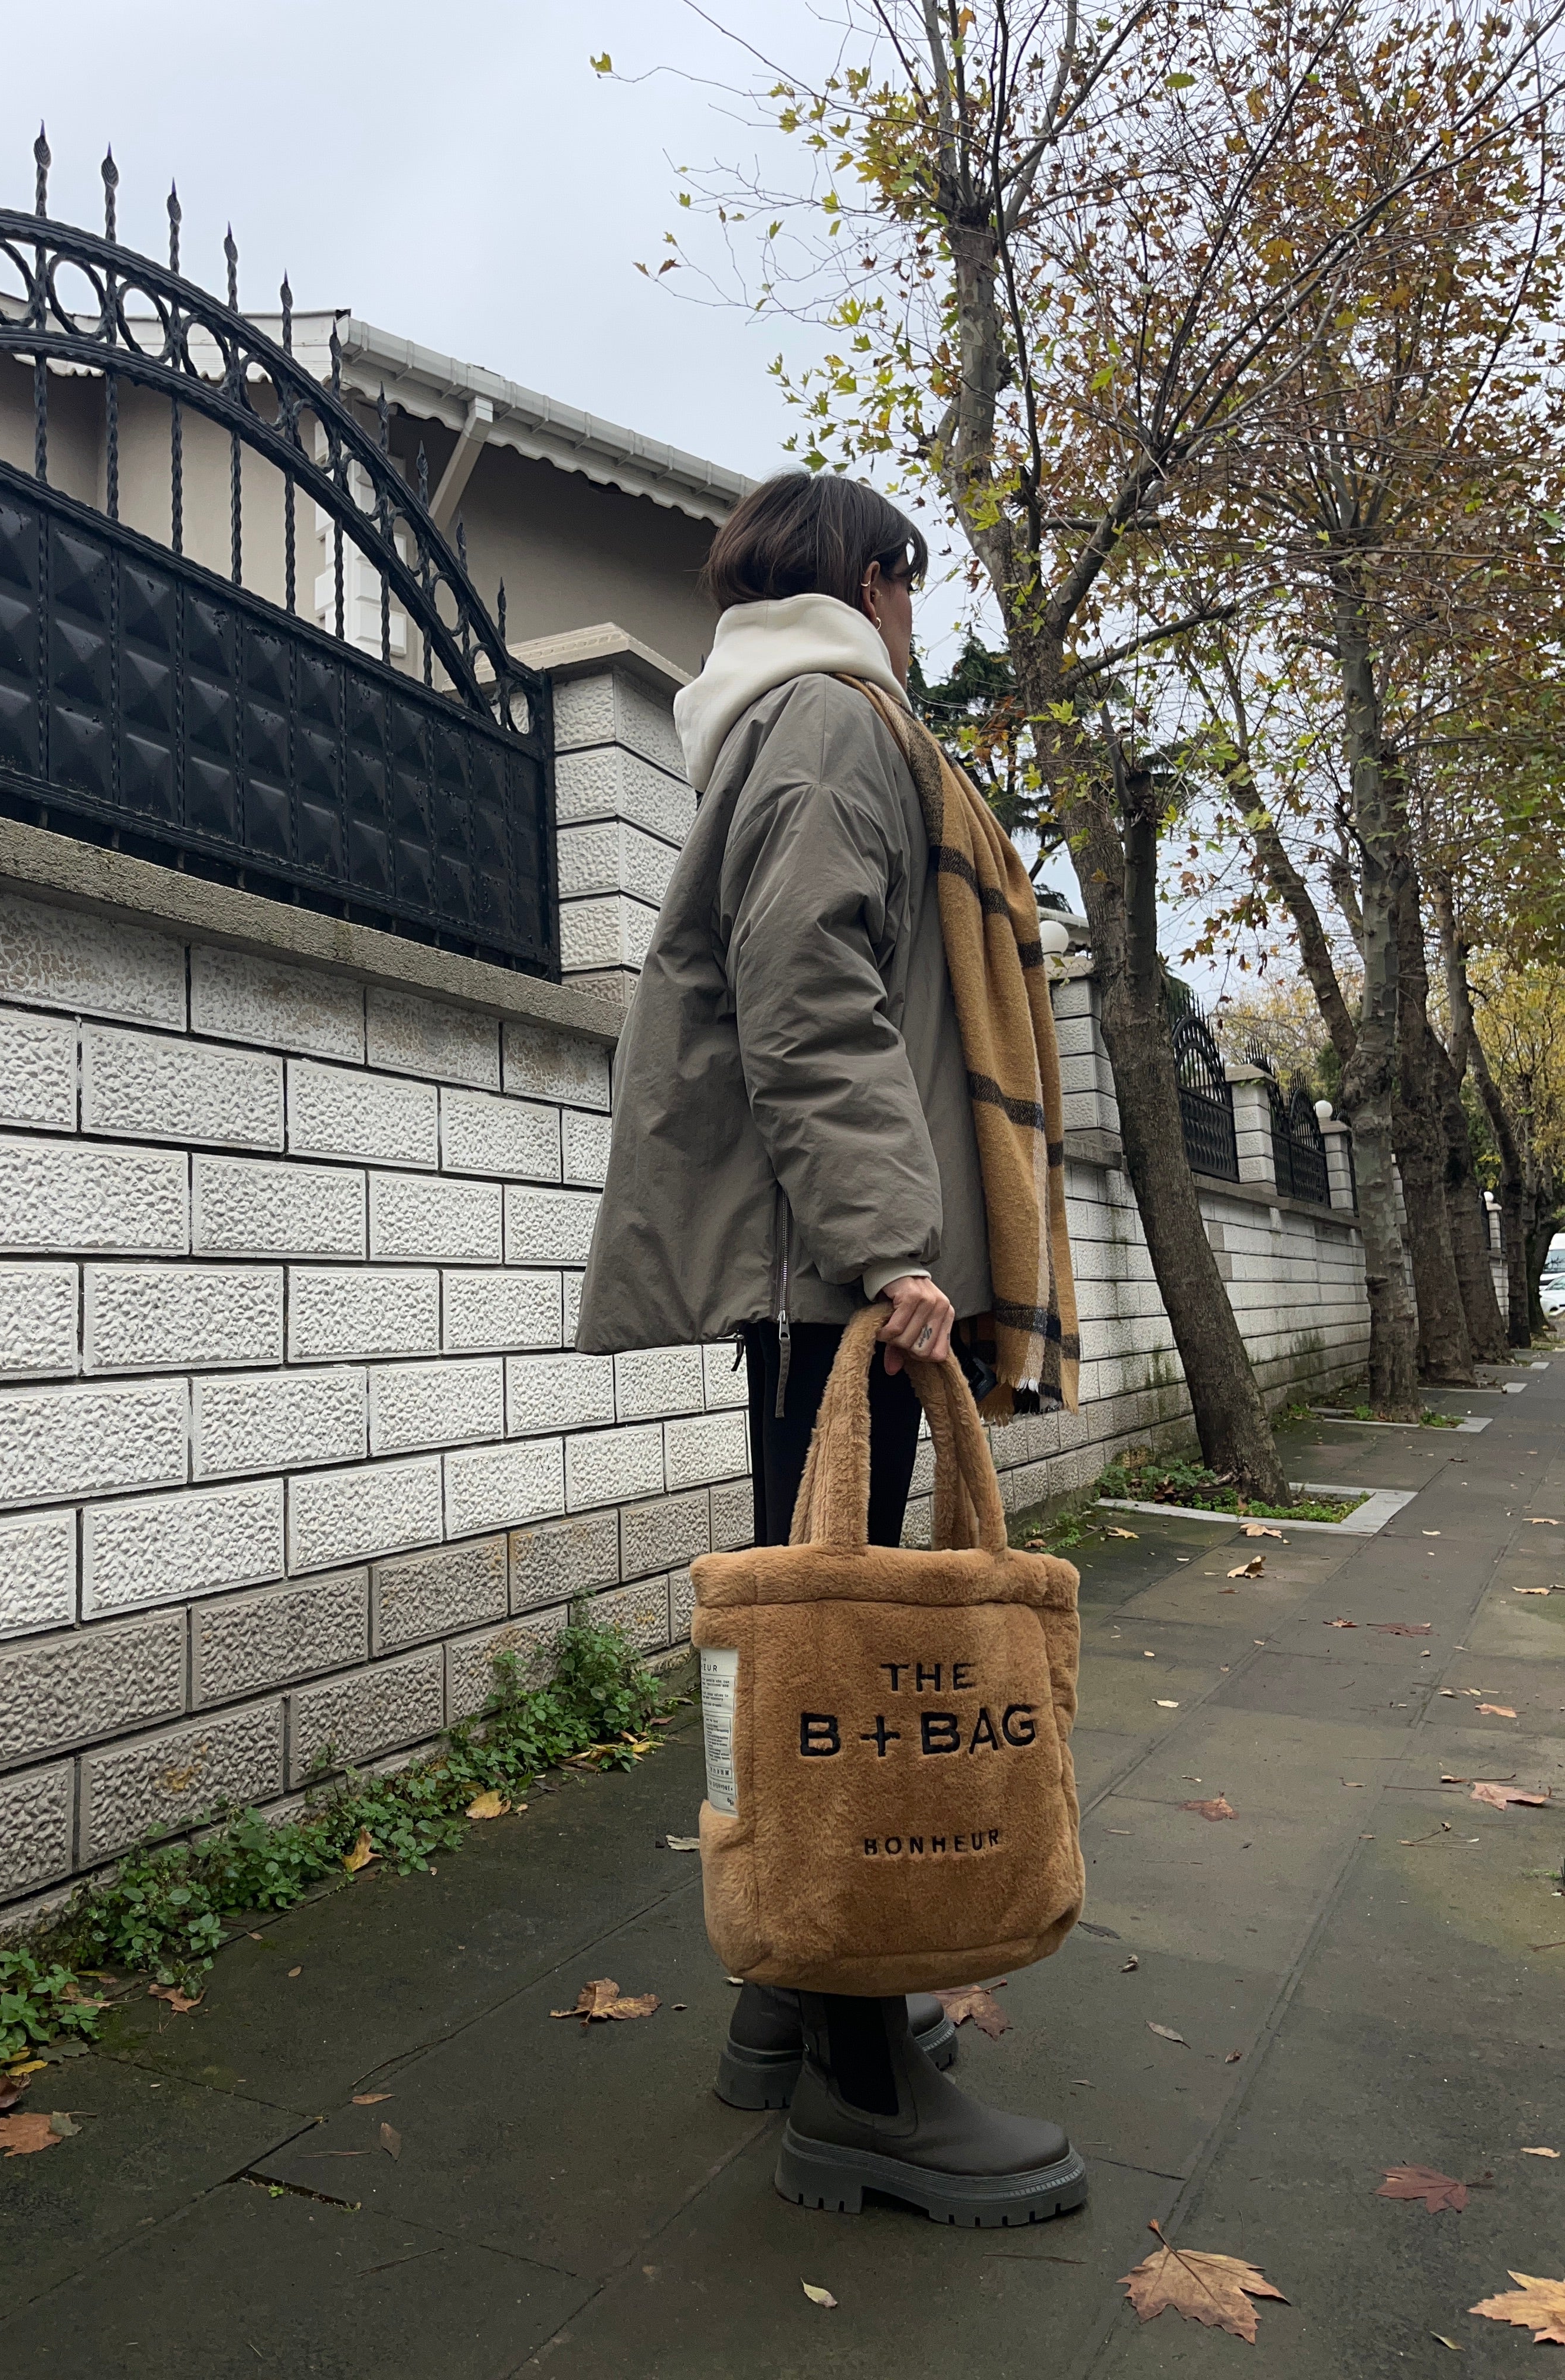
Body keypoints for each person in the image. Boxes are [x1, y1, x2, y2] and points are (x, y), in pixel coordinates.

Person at [577, 472, 1086, 2225]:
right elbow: (809, 989)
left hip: (826, 1272)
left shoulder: (796, 722)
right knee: (854, 1675)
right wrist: (893, 1246)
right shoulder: (829, 721)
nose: (919, 624)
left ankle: (791, 2014)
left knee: (822, 1652)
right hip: (839, 1273)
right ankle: (867, 2097)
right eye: (915, 589)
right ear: (872, 580)